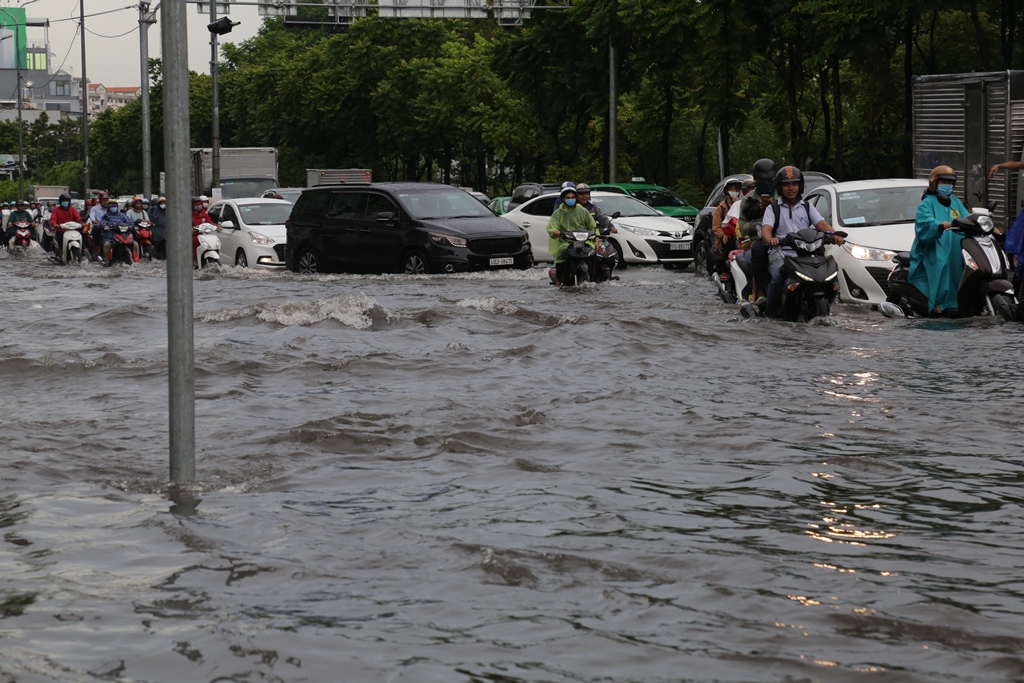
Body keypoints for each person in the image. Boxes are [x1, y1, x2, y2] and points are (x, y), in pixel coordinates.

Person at [761, 166, 843, 317]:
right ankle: (770, 316)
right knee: (778, 279)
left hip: (805, 253)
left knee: (827, 277)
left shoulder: (807, 206)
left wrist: (834, 235)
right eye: (786, 184)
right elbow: (766, 229)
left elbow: (822, 224)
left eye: (795, 184)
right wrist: (769, 239)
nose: (791, 188)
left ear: (800, 186)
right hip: (781, 252)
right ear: (780, 187)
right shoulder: (773, 208)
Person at [907, 165, 970, 315]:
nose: (947, 186)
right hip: (935, 246)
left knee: (959, 271)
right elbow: (924, 221)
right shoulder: (927, 202)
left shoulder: (955, 201)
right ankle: (938, 303)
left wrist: (983, 223)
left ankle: (956, 303)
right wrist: (939, 225)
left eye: (950, 183)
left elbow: (967, 216)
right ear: (935, 183)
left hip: (955, 246)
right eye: (944, 182)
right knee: (941, 268)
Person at [547, 184, 597, 286]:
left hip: (585, 241)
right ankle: (559, 279)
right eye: (568, 198)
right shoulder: (558, 213)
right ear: (563, 199)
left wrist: (595, 238)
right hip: (567, 241)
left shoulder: (582, 210)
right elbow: (551, 226)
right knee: (562, 252)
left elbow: (592, 226)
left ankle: (595, 278)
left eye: (573, 198)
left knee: (593, 254)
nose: (571, 199)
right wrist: (554, 231)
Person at [711, 177, 743, 269]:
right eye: (731, 188)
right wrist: (723, 234)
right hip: (727, 236)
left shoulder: (742, 204)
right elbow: (716, 226)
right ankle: (725, 270)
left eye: (736, 188)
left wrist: (738, 204)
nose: (734, 191)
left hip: (740, 235)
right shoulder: (721, 208)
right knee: (729, 244)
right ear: (726, 190)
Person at [98, 199, 139, 264]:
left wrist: (133, 227)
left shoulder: (123, 215)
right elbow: (102, 224)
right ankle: (107, 261)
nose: (113, 208)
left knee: (135, 244)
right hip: (110, 236)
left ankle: (136, 261)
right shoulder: (105, 216)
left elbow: (130, 223)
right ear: (108, 207)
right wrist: (105, 227)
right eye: (112, 207)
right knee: (107, 245)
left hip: (124, 236)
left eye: (115, 206)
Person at [191, 196, 214, 267]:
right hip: (193, 235)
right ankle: (195, 259)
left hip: (203, 235)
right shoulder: (189, 215)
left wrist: (216, 226)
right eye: (196, 205)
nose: (198, 206)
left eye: (200, 204)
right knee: (194, 242)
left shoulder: (204, 213)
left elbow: (209, 221)